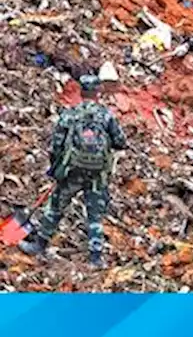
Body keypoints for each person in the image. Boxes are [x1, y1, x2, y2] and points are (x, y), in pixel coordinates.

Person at [19, 75, 127, 268]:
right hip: (97, 174)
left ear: (81, 91)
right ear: (97, 93)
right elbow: (121, 142)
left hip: (72, 172)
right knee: (95, 215)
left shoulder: (70, 114)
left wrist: (57, 169)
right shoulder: (106, 115)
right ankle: (96, 258)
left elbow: (56, 145)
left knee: (56, 207)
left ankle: (40, 245)